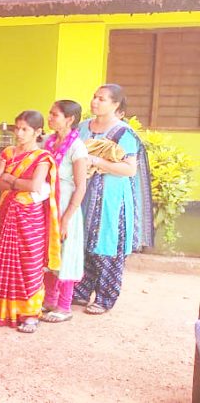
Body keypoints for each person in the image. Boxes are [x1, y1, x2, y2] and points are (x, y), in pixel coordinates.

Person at [73, 84, 154, 315]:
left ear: (116, 104)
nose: (95, 102)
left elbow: (129, 169)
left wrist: (96, 161)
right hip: (84, 193)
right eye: (94, 97)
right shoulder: (83, 127)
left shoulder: (123, 133)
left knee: (107, 244)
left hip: (111, 197)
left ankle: (105, 297)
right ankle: (80, 291)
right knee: (83, 241)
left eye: (102, 99)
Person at [0, 110, 61, 334]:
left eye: (25, 129)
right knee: (5, 258)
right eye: (17, 128)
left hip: (30, 218)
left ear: (38, 132)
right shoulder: (8, 152)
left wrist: (11, 179)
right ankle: (2, 310)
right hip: (8, 212)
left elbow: (35, 186)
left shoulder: (42, 158)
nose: (19, 133)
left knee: (29, 261)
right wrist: (17, 183)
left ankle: (29, 314)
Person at [41, 100, 89, 323]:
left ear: (69, 119)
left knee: (67, 253)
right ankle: (49, 299)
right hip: (47, 205)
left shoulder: (77, 148)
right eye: (50, 113)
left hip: (66, 208)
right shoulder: (48, 143)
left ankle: (64, 305)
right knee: (49, 253)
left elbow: (81, 186)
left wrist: (67, 218)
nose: (50, 118)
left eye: (55, 115)